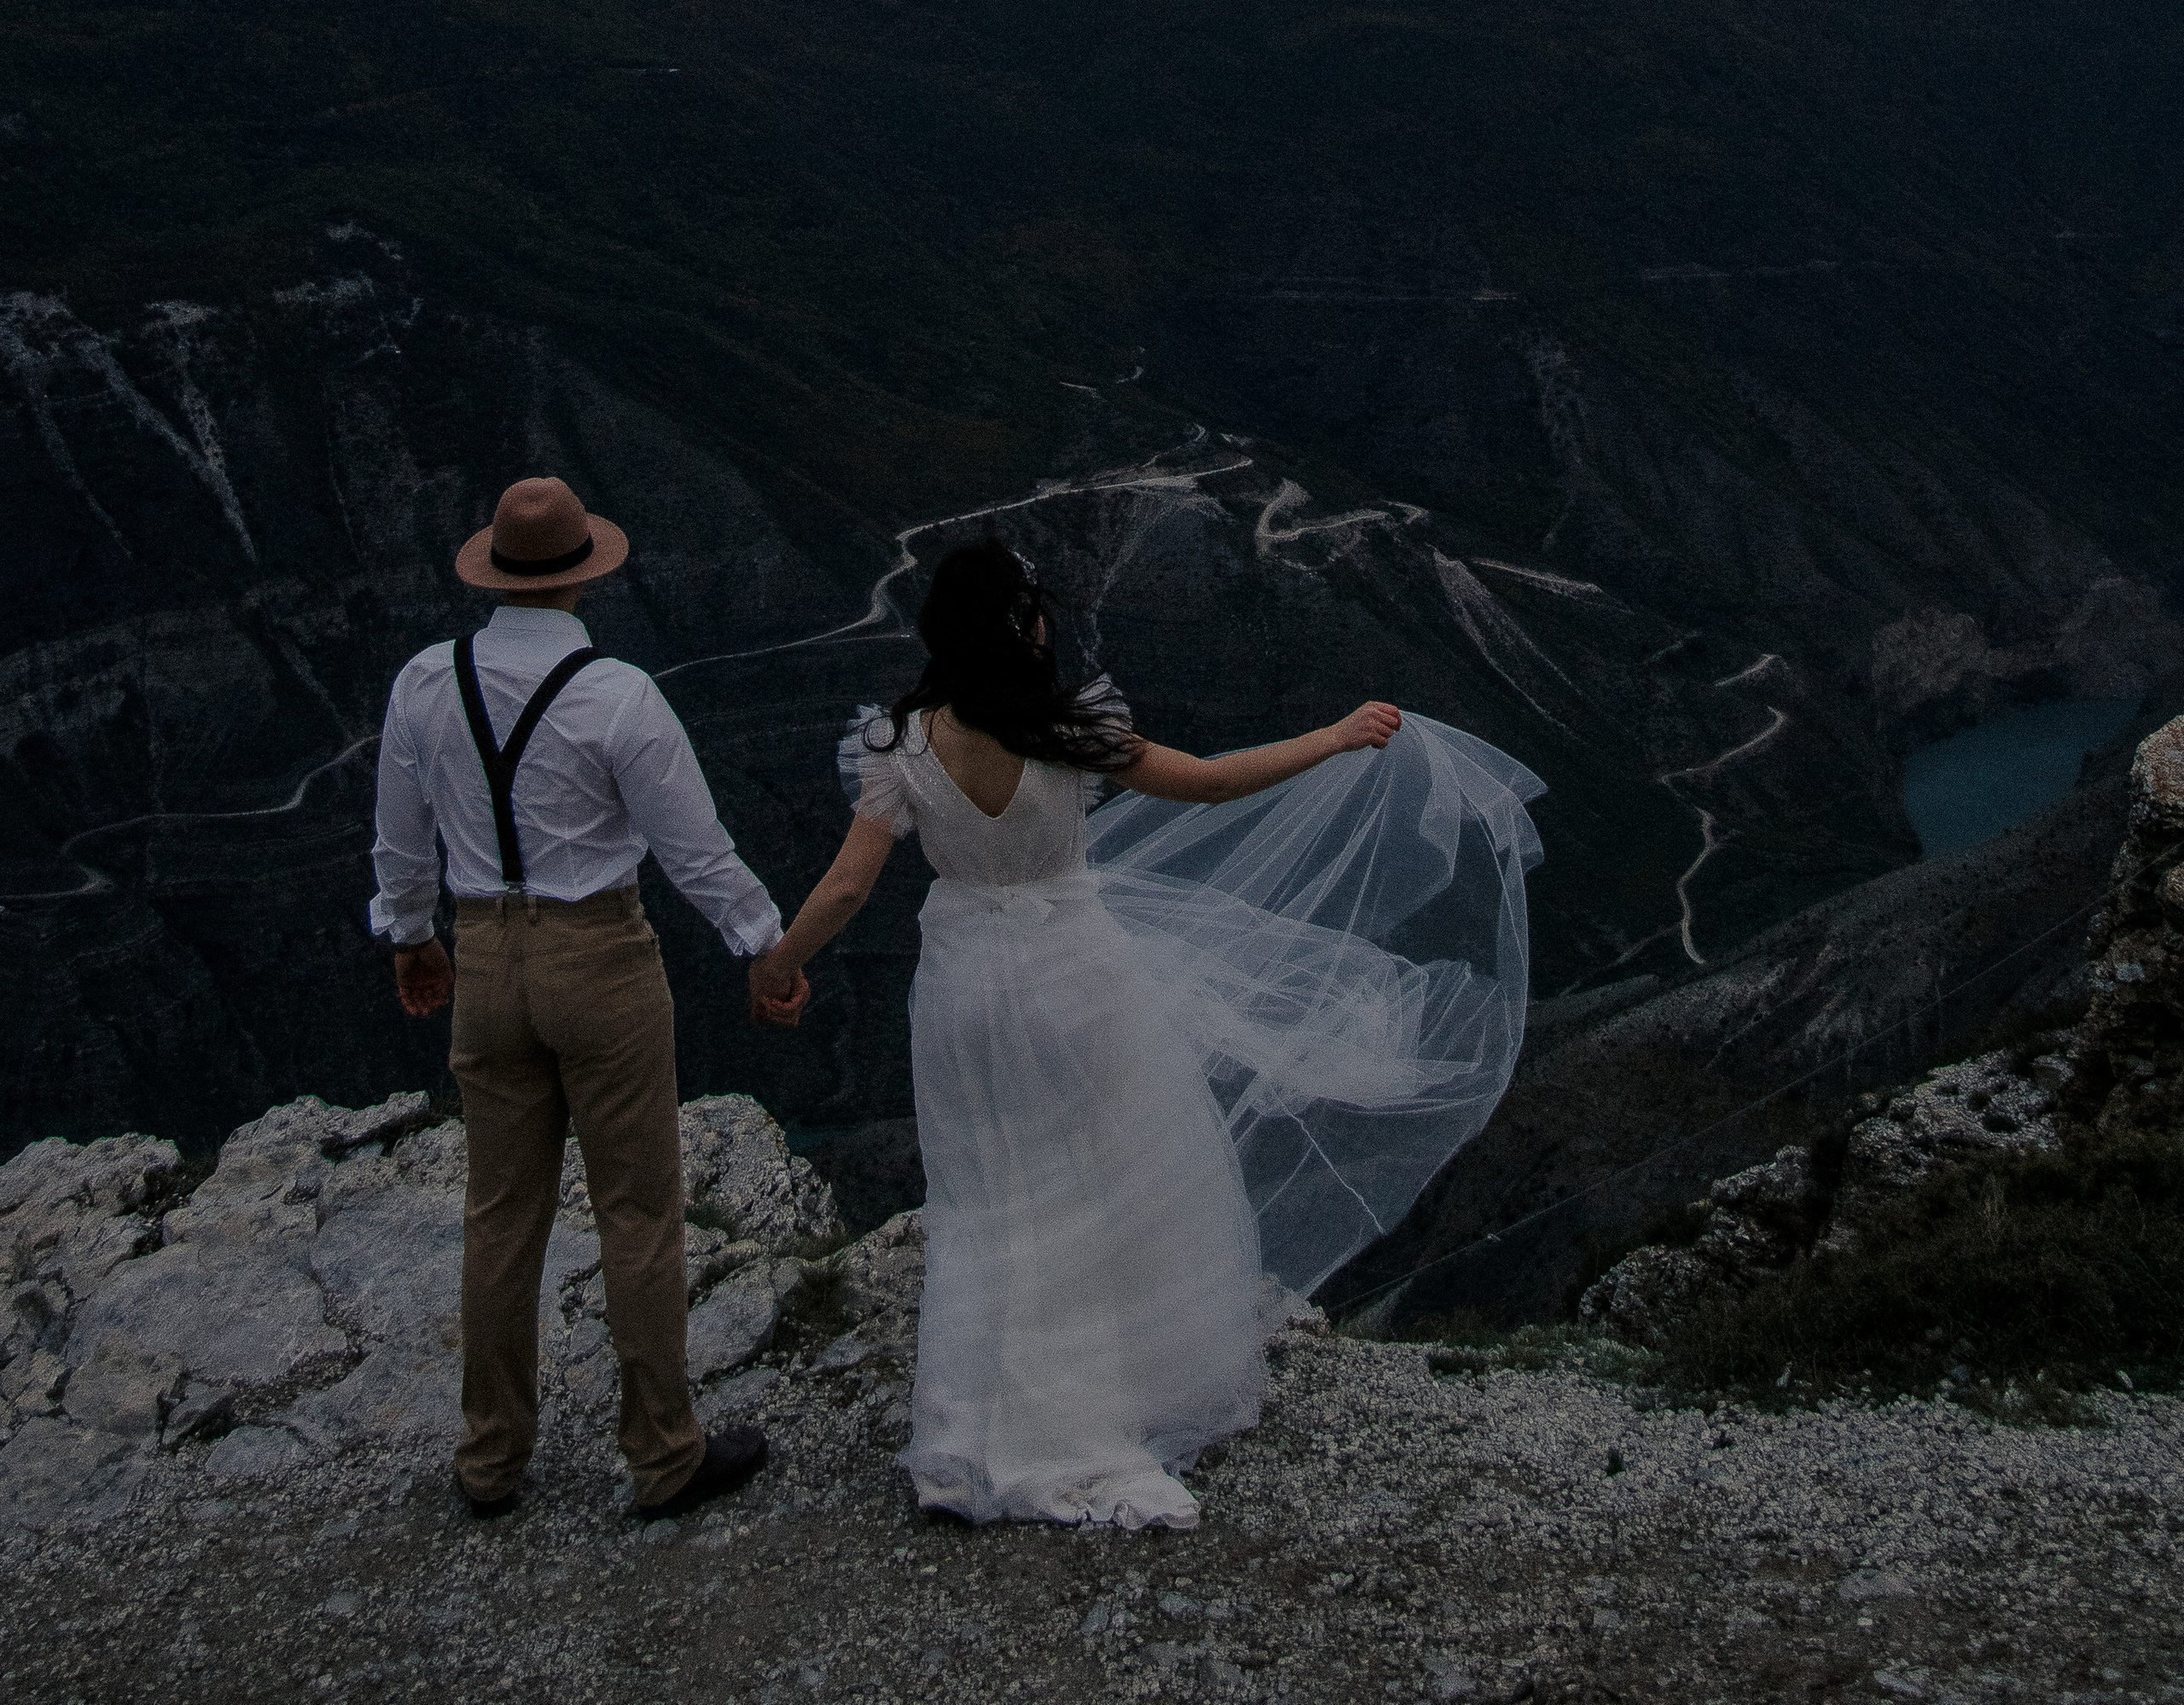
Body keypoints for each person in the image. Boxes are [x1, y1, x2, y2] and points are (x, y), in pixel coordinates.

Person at [749, 537, 1542, 1529]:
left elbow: (852, 882)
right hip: (1078, 976)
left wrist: (780, 963)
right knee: (1096, 1178)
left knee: (986, 1192)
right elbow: (1209, 782)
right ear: (1025, 624)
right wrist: (1333, 738)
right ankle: (1100, 1402)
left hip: (965, 989)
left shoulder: (898, 747)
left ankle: (965, 1432)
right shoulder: (1069, 729)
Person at [370, 473, 804, 1519]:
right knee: (639, 1214)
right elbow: (697, 854)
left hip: (484, 957)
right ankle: (662, 1454)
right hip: (599, 957)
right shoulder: (618, 696)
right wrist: (768, 950)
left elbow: (398, 835)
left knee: (500, 1216)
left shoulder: (426, 683)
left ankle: (489, 1460)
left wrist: (413, 938)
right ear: (583, 575)